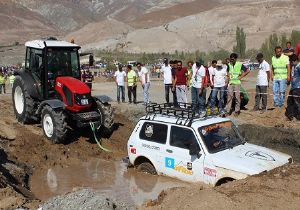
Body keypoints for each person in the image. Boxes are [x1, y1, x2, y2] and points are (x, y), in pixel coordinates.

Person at [286, 54, 300, 120]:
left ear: (294, 61)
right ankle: (290, 115)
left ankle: (298, 116)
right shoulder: (295, 66)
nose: (290, 63)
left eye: (291, 62)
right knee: (289, 101)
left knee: (297, 102)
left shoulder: (299, 66)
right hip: (293, 87)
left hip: (297, 88)